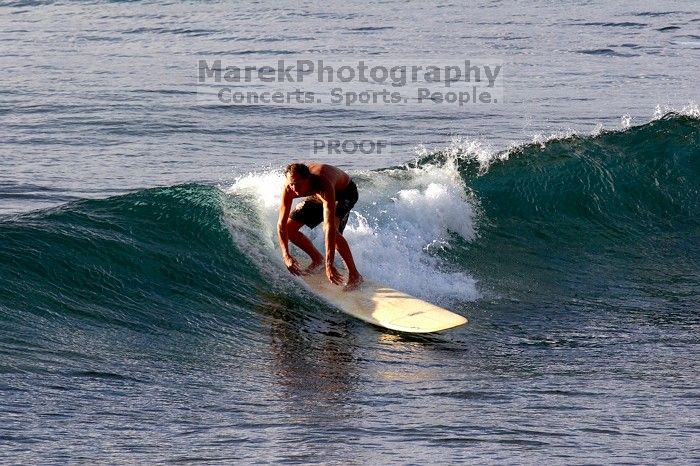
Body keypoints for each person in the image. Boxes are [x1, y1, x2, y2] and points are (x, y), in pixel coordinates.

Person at [277, 162, 363, 291]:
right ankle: (318, 259)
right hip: (317, 196)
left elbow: (329, 228)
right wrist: (286, 255)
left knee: (332, 232)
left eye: (297, 184)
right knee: (290, 228)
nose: (294, 188)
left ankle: (355, 275)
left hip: (345, 192)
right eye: (291, 184)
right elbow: (281, 224)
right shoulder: (290, 188)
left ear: (308, 179)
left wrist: (330, 265)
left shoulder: (323, 184)